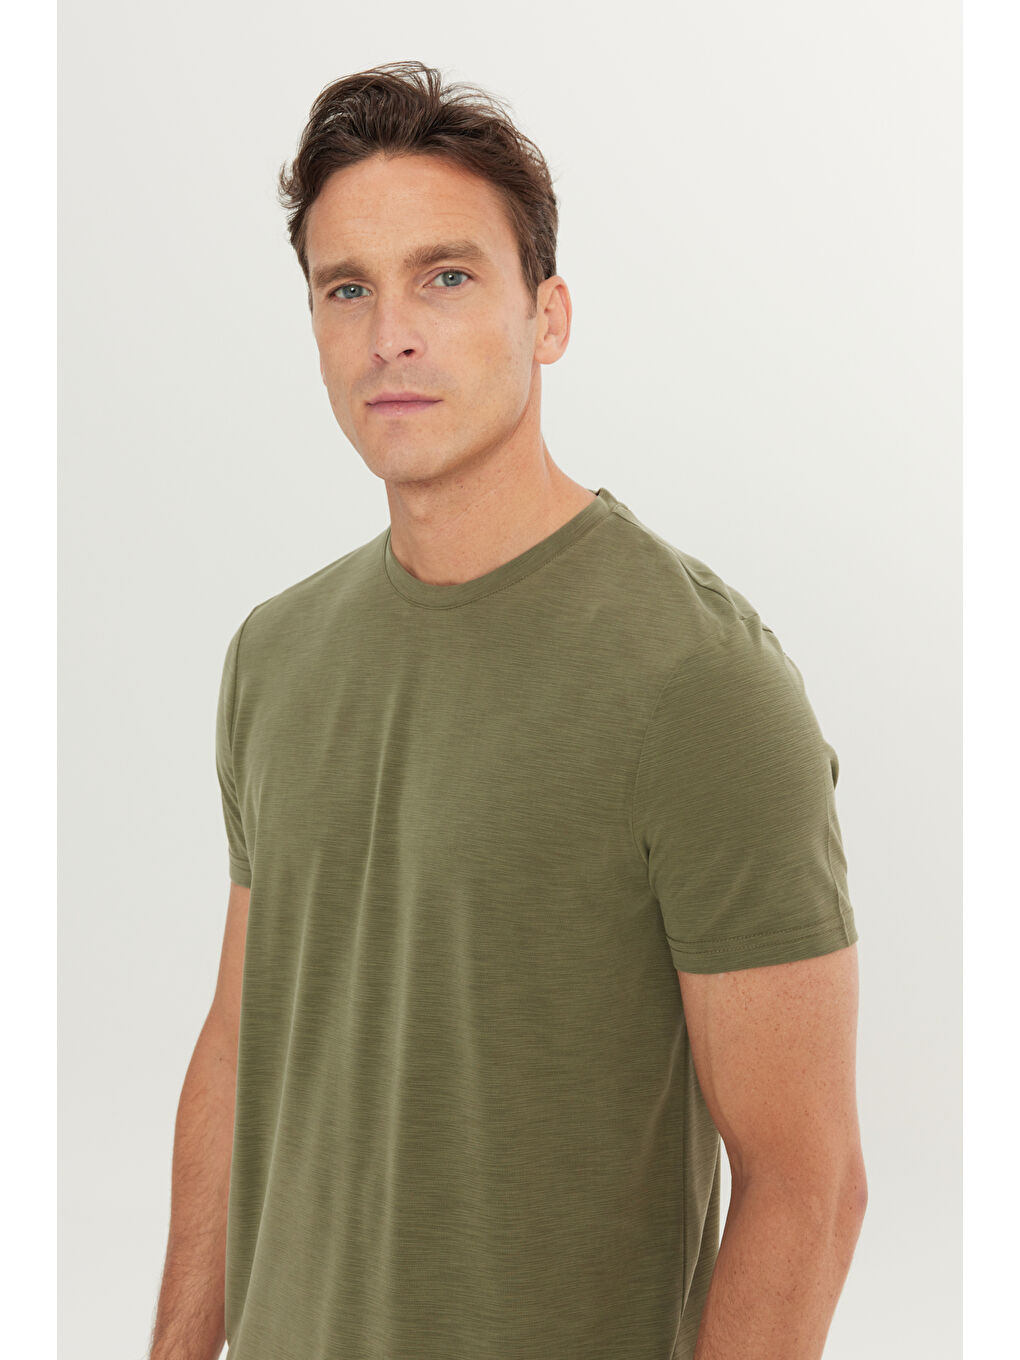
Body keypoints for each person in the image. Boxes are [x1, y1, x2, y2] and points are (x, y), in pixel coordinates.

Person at [149, 60, 866, 1360]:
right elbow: (240, 1053)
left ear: (549, 316)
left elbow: (806, 1188)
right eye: (347, 289)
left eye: (445, 277)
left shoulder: (699, 683)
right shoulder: (274, 656)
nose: (390, 334)